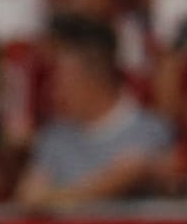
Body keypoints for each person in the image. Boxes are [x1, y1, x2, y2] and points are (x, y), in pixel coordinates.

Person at [16, 17, 175, 209]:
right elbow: (29, 197)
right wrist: (100, 187)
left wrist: (54, 198)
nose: (54, 92)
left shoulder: (151, 130)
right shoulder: (54, 137)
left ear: (92, 82)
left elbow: (138, 171)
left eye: (61, 82)